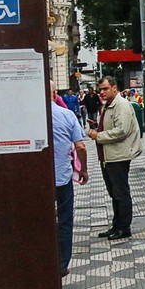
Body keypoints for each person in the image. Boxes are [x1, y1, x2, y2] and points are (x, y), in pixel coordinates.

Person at [87, 76, 142, 240]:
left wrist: (98, 135)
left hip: (118, 156)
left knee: (120, 192)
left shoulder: (121, 105)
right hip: (108, 156)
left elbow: (121, 131)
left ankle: (124, 227)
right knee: (114, 192)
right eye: (100, 90)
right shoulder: (108, 105)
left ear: (114, 88)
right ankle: (117, 224)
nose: (102, 92)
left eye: (105, 89)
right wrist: (98, 127)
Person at [49, 81, 88, 277]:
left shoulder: (27, 117)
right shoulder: (66, 115)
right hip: (62, 176)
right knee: (64, 219)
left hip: (39, 180)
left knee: (42, 219)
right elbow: (80, 146)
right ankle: (62, 263)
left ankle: (43, 259)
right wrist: (84, 170)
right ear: (55, 94)